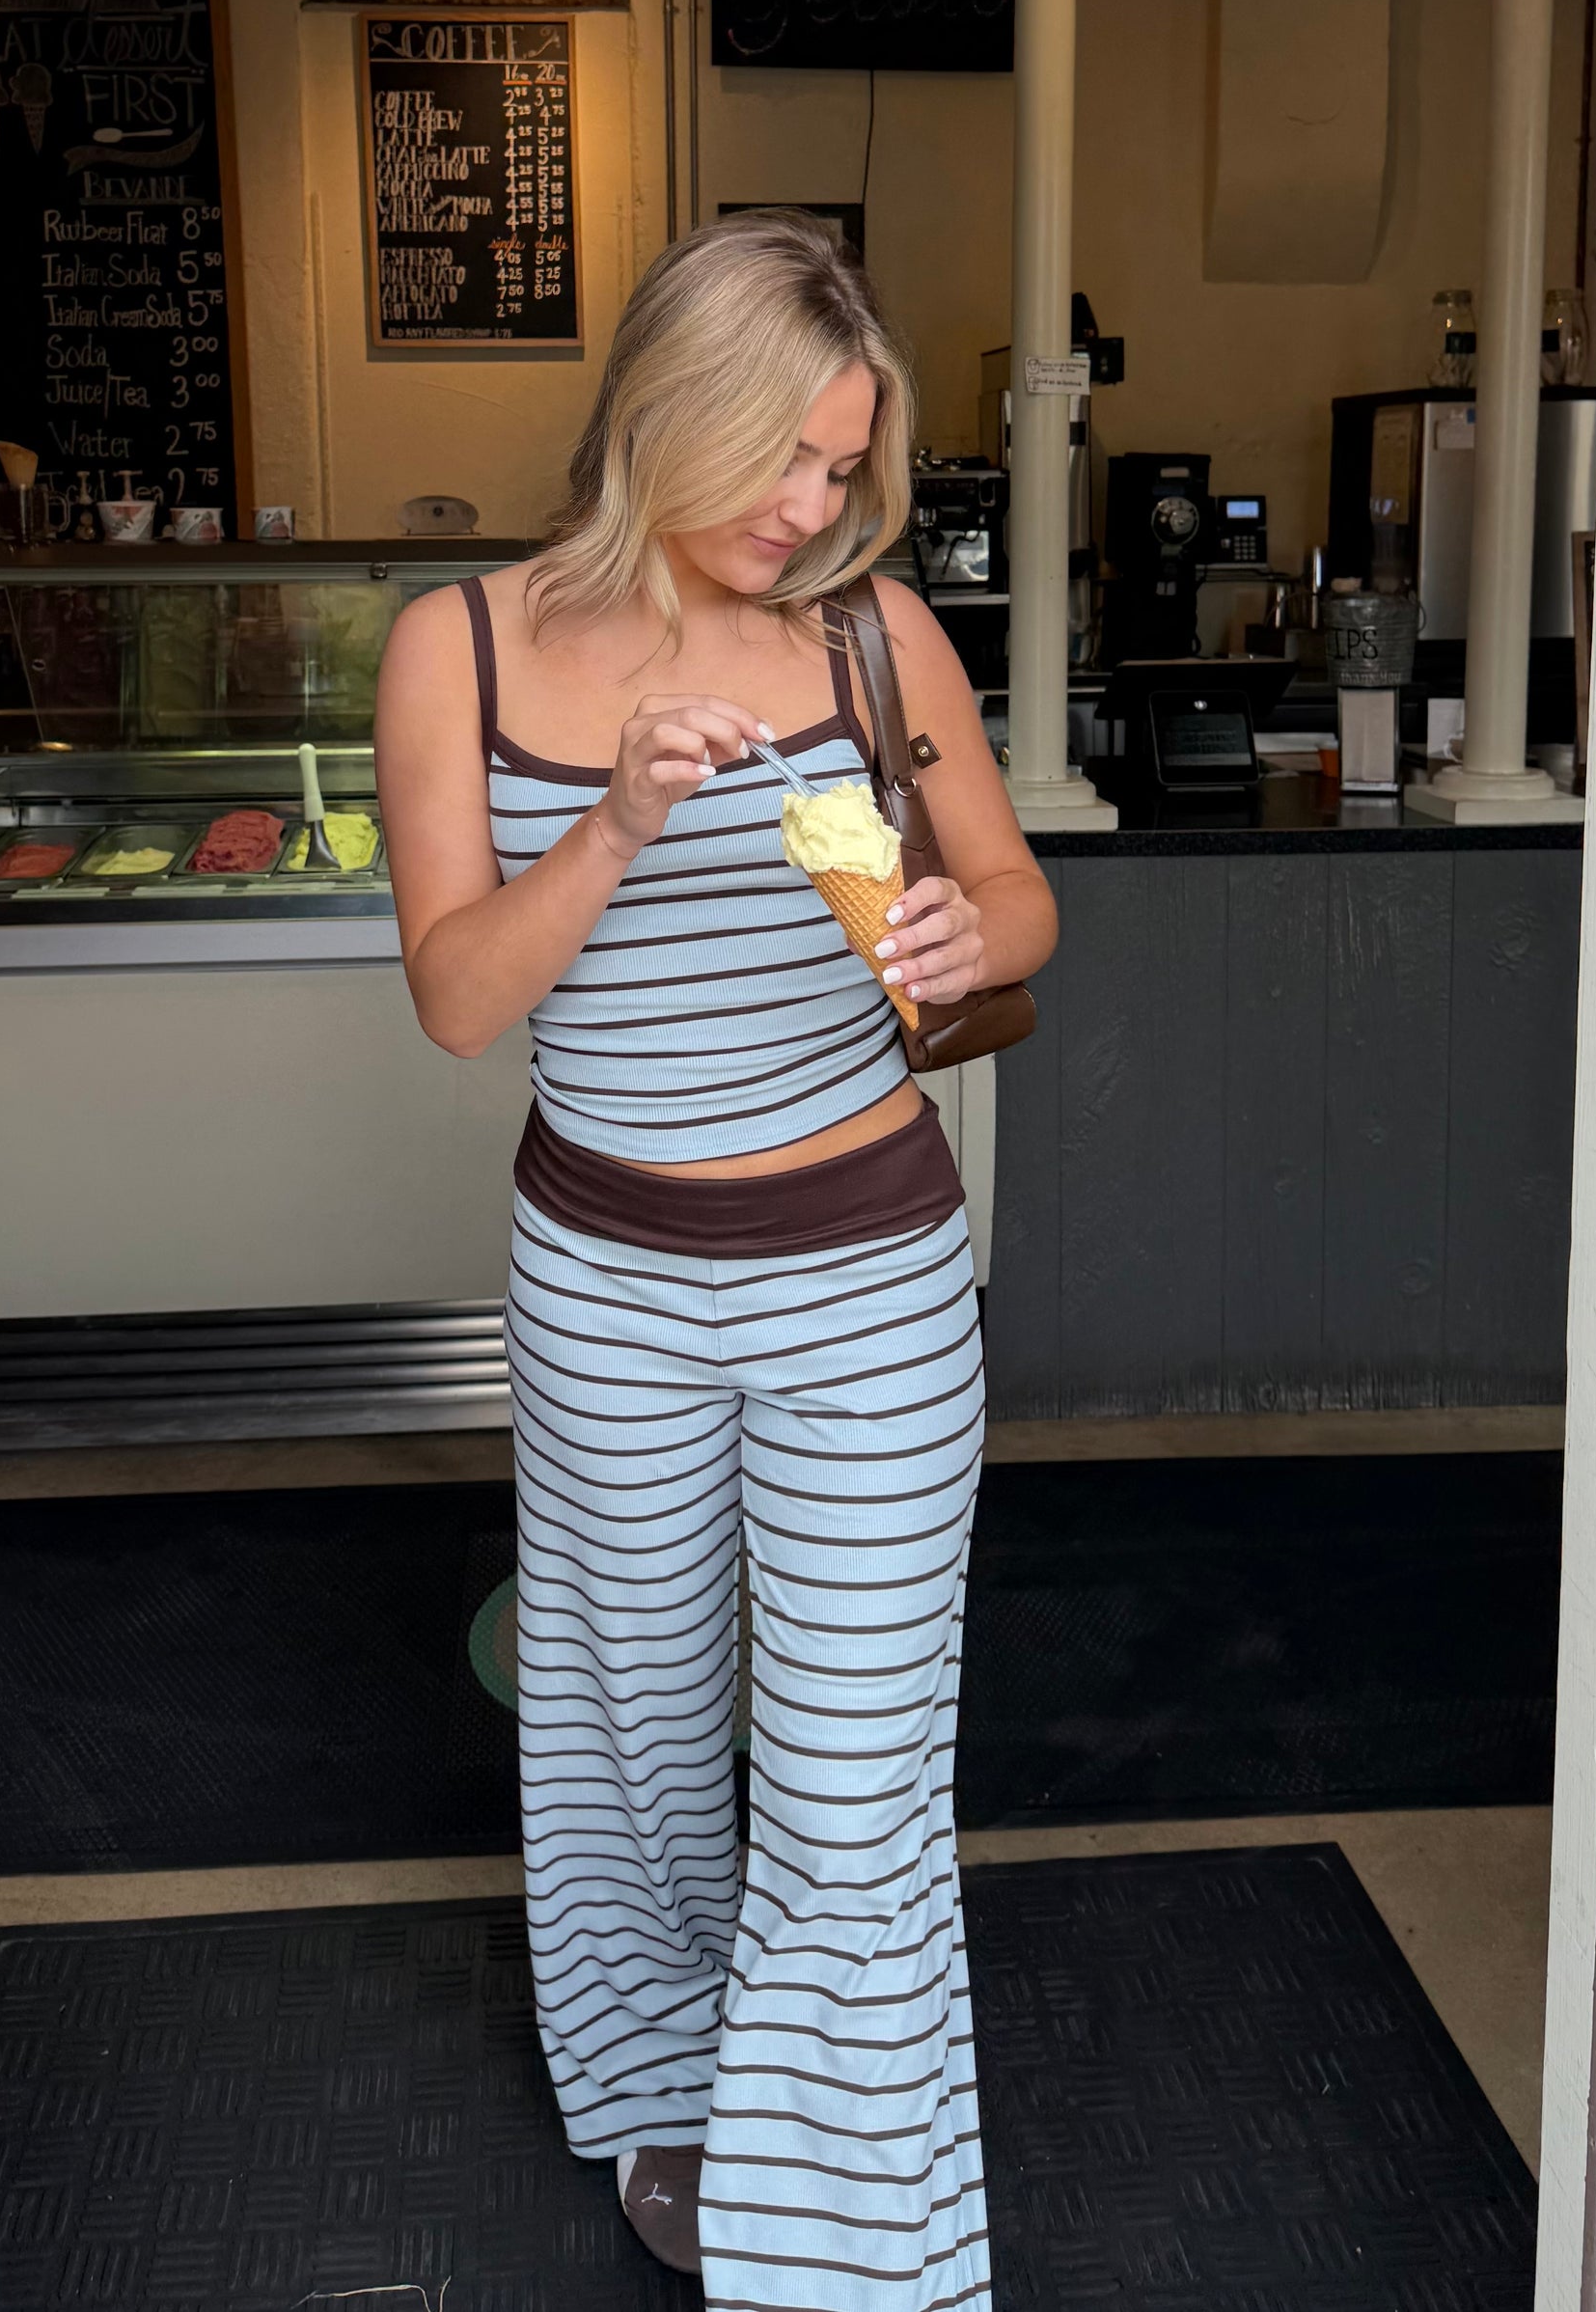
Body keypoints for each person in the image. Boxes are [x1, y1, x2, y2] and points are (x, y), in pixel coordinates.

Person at [375, 210, 1057, 2312]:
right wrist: (607, 826)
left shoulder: (872, 643)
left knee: (854, 1772)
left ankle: (845, 2247)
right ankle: (672, 2091)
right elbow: (459, 1000)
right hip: (608, 1283)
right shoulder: (459, 648)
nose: (810, 505)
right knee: (632, 1721)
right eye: (786, 455)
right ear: (669, 410)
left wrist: (966, 931)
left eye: (845, 466)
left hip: (864, 1268)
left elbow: (1016, 897)